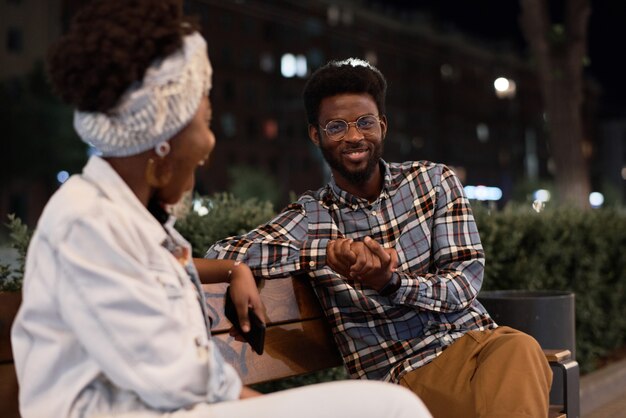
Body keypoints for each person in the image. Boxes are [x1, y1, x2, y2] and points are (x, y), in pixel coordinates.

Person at [9, 3, 433, 418]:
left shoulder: (116, 216)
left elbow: (162, 276)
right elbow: (175, 380)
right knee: (388, 408)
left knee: (388, 407)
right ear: (164, 137)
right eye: (205, 121)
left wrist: (233, 270)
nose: (210, 143)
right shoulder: (88, 223)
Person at [206, 58, 553, 417]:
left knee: (519, 349)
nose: (354, 136)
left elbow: (464, 283)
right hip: (402, 376)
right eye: (336, 126)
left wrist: (391, 283)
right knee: (519, 373)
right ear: (316, 135)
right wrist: (324, 253)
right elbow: (223, 251)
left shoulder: (432, 183)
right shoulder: (312, 217)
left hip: (479, 346)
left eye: (365, 123)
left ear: (382, 126)